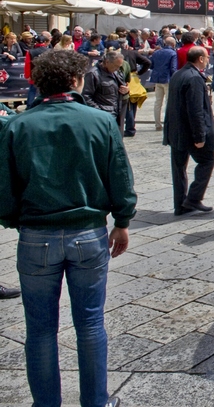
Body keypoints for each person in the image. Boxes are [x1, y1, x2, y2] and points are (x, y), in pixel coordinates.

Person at [0, 49, 135, 407]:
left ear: (38, 82)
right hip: (87, 233)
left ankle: (46, 403)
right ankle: (96, 402)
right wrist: (122, 220)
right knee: (90, 325)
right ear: (76, 81)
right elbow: (119, 175)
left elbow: (4, 187)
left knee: (40, 329)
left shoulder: (18, 125)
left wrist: (16, 220)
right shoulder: (100, 121)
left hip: (36, 236)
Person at [164, 46, 214, 215]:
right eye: (207, 57)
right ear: (200, 59)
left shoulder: (178, 74)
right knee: (208, 159)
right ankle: (193, 198)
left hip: (175, 130)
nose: (208, 59)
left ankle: (180, 204)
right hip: (188, 132)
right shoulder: (194, 78)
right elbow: (196, 110)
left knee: (178, 167)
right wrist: (199, 135)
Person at [82, 50, 128, 132]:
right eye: (115, 66)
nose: (117, 69)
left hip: (117, 114)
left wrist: (126, 90)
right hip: (103, 117)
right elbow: (86, 96)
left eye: (119, 67)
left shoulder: (116, 72)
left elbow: (122, 87)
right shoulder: (93, 74)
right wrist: (100, 112)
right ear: (107, 62)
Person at [149, 37, 178, 130]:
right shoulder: (173, 53)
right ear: (173, 44)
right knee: (168, 102)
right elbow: (173, 68)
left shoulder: (156, 52)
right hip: (167, 79)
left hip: (157, 78)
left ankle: (157, 124)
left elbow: (151, 65)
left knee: (158, 102)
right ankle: (168, 123)